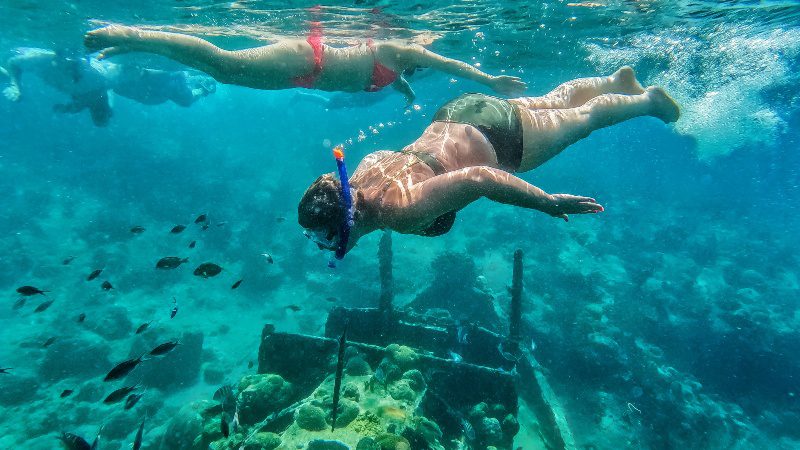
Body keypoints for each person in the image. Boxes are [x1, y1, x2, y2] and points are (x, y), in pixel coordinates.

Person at [297, 67, 681, 259]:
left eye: (322, 237)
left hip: (498, 139)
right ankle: (615, 79)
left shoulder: (398, 211)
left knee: (583, 120)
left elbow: (481, 177)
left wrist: (545, 203)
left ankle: (649, 101)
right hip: (456, 115)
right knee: (553, 103)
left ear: (344, 225)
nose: (321, 246)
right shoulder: (362, 173)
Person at [83, 24, 527, 105]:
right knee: (221, 63)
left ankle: (135, 50)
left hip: (305, 79)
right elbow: (450, 64)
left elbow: (390, 83)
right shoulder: (403, 48)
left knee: (219, 73)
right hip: (307, 57)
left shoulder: (397, 74)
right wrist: (489, 80)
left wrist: (406, 92)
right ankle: (130, 35)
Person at [1, 47, 215, 126]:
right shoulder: (40, 59)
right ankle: (196, 84)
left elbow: (133, 72)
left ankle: (201, 86)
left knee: (184, 99)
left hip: (161, 82)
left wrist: (167, 70)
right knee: (180, 100)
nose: (73, 64)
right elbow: (13, 63)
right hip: (145, 90)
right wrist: (15, 85)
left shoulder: (96, 75)